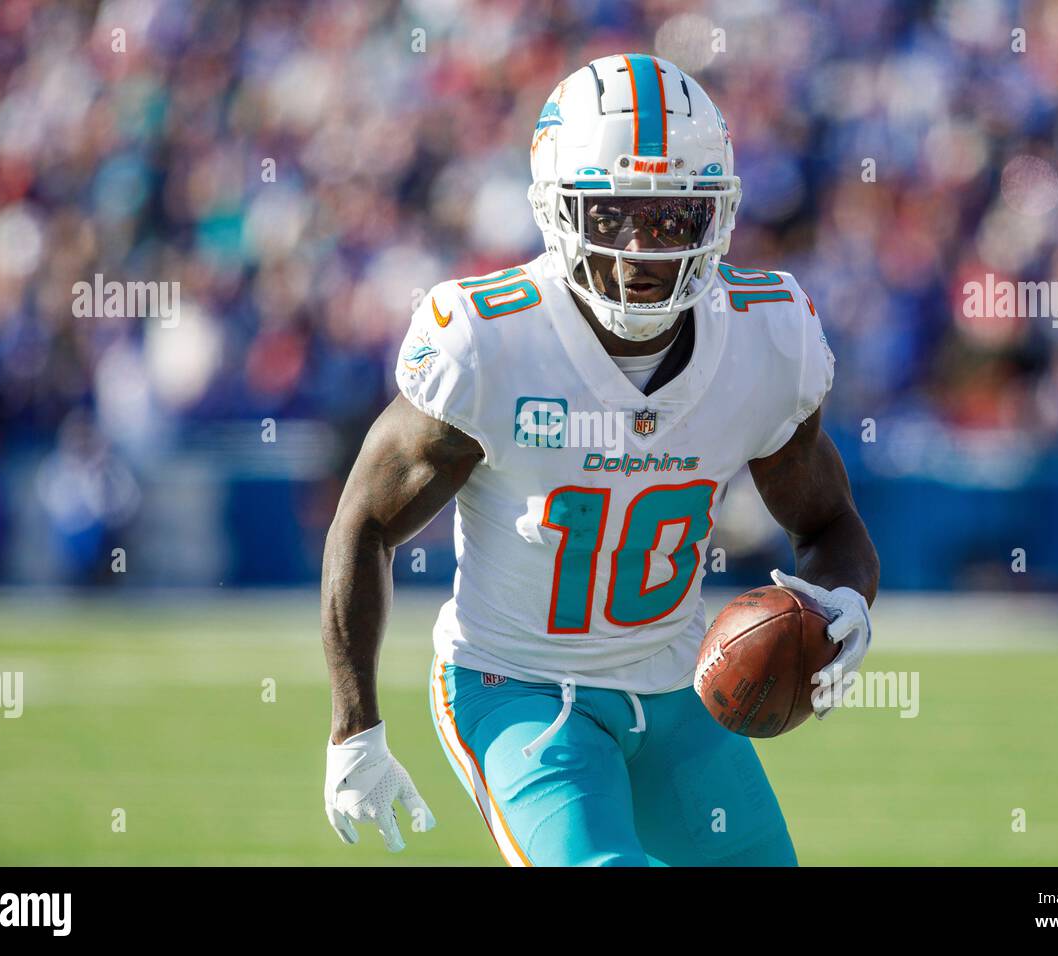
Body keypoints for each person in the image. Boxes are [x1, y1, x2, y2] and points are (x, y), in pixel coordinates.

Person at [320, 54, 879, 866]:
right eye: (611, 214)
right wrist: (353, 727)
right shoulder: (491, 342)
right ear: (556, 210)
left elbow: (827, 522)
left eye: (671, 219)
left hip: (676, 682)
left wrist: (847, 604)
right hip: (514, 687)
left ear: (715, 218)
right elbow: (364, 522)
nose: (639, 250)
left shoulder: (769, 337)